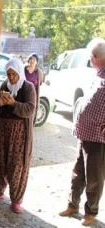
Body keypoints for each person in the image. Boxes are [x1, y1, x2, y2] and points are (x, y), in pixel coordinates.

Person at [59, 38, 105, 226]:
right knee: (78, 172)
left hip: (97, 137)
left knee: (94, 176)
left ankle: (91, 212)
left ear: (96, 57)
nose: (90, 59)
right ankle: (73, 205)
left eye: (91, 56)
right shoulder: (98, 74)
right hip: (84, 133)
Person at [0, 58, 36, 214]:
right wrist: (0, 104)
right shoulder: (4, 86)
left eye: (13, 74)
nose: (11, 77)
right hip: (2, 130)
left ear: (19, 73)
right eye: (8, 74)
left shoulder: (28, 87)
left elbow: (30, 109)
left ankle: (16, 200)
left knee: (16, 165)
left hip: (19, 134)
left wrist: (13, 104)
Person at [24, 53, 43, 124]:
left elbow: (39, 83)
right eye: (31, 58)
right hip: (23, 95)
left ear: (36, 62)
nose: (32, 61)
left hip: (33, 97)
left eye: (34, 59)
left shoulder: (38, 73)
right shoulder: (24, 70)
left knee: (31, 116)